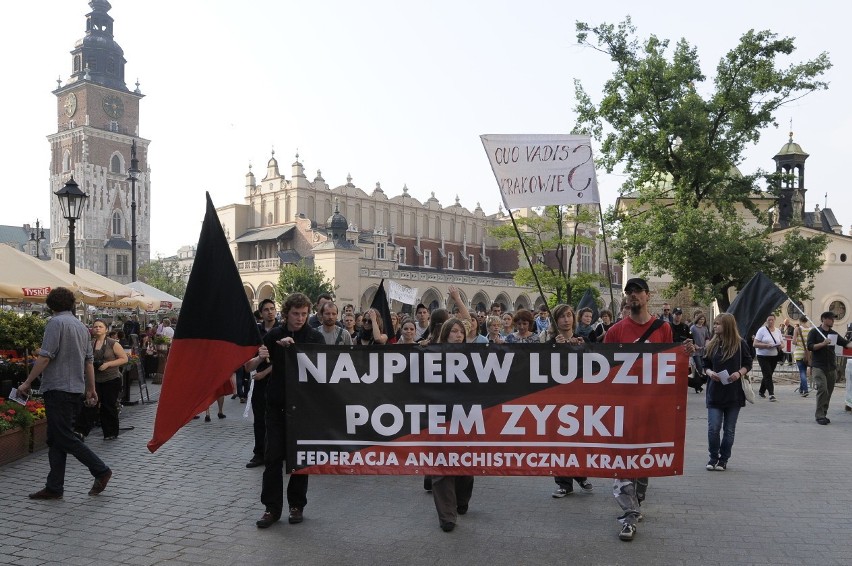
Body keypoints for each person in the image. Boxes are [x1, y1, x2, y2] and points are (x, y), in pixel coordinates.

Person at [604, 278, 691, 542]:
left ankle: (638, 499)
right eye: (629, 292)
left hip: (651, 406)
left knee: (643, 457)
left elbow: (670, 362)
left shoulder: (662, 329)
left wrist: (686, 353)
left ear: (647, 295)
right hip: (622, 407)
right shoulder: (616, 331)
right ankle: (629, 515)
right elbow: (598, 367)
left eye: (638, 291)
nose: (633, 296)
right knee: (622, 460)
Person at [18, 287, 112, 500]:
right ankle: (54, 486)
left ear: (51, 305)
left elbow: (45, 357)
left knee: (64, 437)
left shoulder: (55, 323)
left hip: (58, 388)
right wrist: (91, 388)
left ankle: (101, 470)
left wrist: (27, 382)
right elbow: (88, 360)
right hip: (75, 389)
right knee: (55, 438)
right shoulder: (80, 326)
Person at [253, 293, 325, 528]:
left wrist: (298, 351)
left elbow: (323, 369)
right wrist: (265, 355)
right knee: (273, 457)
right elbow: (252, 366)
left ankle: (297, 505)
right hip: (276, 405)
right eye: (296, 314)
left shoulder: (314, 337)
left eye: (304, 314)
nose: (300, 318)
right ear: (286, 313)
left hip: (303, 407)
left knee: (300, 458)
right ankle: (271, 508)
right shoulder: (274, 334)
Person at [430, 318, 476, 532]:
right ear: (446, 333)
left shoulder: (474, 356)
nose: (458, 335)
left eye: (461, 332)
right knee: (441, 465)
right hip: (439, 417)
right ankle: (447, 515)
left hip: (466, 417)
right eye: (454, 331)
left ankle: (461, 500)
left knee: (464, 464)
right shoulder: (432, 354)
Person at [545, 304, 594, 498]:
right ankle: (563, 482)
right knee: (560, 440)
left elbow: (595, 363)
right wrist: (554, 348)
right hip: (557, 397)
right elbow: (541, 367)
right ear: (556, 321)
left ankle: (581, 475)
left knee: (579, 438)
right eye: (562, 317)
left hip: (580, 396)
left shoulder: (583, 340)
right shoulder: (551, 343)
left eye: (568, 316)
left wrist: (582, 348)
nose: (566, 320)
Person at [701, 313, 752, 471]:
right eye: (715, 323)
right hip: (715, 391)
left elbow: (747, 362)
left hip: (733, 392)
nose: (715, 326)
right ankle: (712, 458)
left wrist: (738, 373)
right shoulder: (712, 344)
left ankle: (723, 459)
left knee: (729, 429)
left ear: (728, 326)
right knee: (713, 428)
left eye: (718, 324)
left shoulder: (740, 343)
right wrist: (710, 373)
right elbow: (705, 364)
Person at [75, 319, 128, 440]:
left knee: (108, 406)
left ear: (106, 329)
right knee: (91, 403)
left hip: (111, 379)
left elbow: (124, 359)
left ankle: (110, 432)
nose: (97, 328)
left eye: (100, 326)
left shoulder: (112, 343)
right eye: (95, 327)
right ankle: (81, 431)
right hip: (95, 379)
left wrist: (108, 364)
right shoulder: (91, 344)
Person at [244, 298, 279, 469]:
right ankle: (259, 453)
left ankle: (278, 452)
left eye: (272, 308)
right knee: (259, 420)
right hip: (260, 383)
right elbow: (247, 364)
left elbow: (284, 361)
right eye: (266, 309)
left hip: (278, 382)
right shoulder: (255, 333)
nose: (270, 312)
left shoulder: (282, 331)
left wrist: (265, 372)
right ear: (261, 312)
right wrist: (259, 359)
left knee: (278, 419)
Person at [807, 311, 851, 425]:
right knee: (822, 388)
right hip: (818, 366)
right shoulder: (814, 332)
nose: (833, 320)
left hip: (831, 367)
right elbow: (810, 346)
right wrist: (823, 343)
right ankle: (819, 415)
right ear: (824, 319)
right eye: (831, 318)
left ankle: (823, 414)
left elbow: (846, 344)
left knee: (828, 392)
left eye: (833, 318)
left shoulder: (834, 334)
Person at [753, 314, 783, 401]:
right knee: (767, 374)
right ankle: (771, 394)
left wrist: (781, 346)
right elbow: (755, 344)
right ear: (766, 321)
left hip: (774, 356)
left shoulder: (778, 331)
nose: (770, 321)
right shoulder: (761, 330)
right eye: (769, 320)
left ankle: (761, 391)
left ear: (775, 320)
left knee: (768, 374)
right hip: (762, 356)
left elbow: (782, 342)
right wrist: (766, 345)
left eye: (772, 320)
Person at [689, 313, 711, 393]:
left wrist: (707, 344)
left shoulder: (705, 328)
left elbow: (707, 337)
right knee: (699, 367)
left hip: (703, 350)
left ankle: (698, 384)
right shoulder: (693, 328)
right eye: (700, 319)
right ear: (697, 319)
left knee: (703, 366)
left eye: (703, 319)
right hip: (696, 351)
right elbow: (690, 338)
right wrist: (695, 345)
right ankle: (697, 384)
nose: (701, 321)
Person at [792, 315, 812, 397]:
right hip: (808, 353)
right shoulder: (810, 330)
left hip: (799, 353)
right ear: (807, 320)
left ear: (800, 320)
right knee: (803, 371)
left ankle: (805, 390)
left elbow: (793, 341)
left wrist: (799, 344)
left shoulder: (797, 329)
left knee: (802, 372)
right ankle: (801, 389)